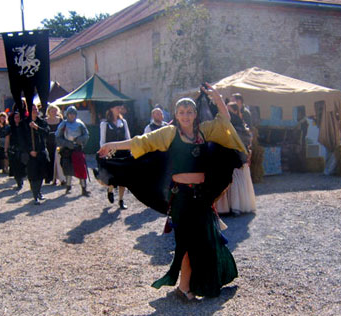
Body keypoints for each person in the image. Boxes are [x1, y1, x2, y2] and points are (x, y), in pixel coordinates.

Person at [98, 83, 247, 301]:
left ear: (195, 114)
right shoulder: (169, 133)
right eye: (181, 112)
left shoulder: (204, 131)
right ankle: (184, 288)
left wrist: (217, 97)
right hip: (182, 197)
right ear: (176, 115)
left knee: (204, 240)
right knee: (187, 242)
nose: (186, 116)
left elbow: (225, 120)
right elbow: (142, 142)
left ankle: (195, 284)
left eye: (189, 112)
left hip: (201, 196)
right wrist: (113, 144)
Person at [215, 101, 256, 215]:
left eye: (229, 111)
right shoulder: (227, 125)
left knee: (236, 181)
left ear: (236, 112)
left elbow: (245, 141)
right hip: (228, 158)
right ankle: (227, 207)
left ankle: (236, 207)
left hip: (238, 158)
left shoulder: (240, 127)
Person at [99, 104, 131, 209]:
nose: (119, 109)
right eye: (116, 107)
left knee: (124, 177)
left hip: (123, 153)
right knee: (112, 176)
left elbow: (128, 137)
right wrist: (104, 152)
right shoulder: (105, 124)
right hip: (111, 154)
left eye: (119, 108)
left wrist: (130, 150)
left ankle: (121, 200)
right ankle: (110, 190)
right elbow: (102, 140)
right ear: (111, 109)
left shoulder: (123, 122)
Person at [55, 106, 90, 196]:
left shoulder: (80, 123)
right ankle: (68, 185)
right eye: (70, 113)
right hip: (67, 150)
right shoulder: (64, 124)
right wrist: (66, 143)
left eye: (73, 113)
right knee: (68, 168)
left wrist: (80, 139)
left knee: (81, 168)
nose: (72, 115)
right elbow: (57, 136)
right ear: (67, 114)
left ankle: (83, 188)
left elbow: (86, 135)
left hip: (77, 149)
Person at [24, 104, 50, 205]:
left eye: (36, 109)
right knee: (32, 175)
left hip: (41, 151)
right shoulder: (25, 123)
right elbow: (22, 139)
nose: (35, 111)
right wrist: (29, 150)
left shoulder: (42, 122)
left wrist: (37, 128)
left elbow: (47, 133)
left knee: (41, 174)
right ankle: (35, 195)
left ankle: (38, 191)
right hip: (30, 153)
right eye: (33, 109)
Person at [5, 111, 27, 190]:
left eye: (19, 117)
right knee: (16, 167)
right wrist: (6, 150)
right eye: (16, 117)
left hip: (24, 149)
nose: (17, 119)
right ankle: (19, 182)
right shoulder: (10, 128)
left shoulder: (24, 127)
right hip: (14, 149)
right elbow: (7, 140)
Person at [45, 104, 63, 185]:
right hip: (48, 142)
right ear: (49, 112)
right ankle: (49, 178)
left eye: (55, 111)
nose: (54, 112)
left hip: (57, 142)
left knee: (58, 160)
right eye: (52, 111)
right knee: (49, 160)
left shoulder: (60, 120)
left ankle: (59, 178)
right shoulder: (45, 121)